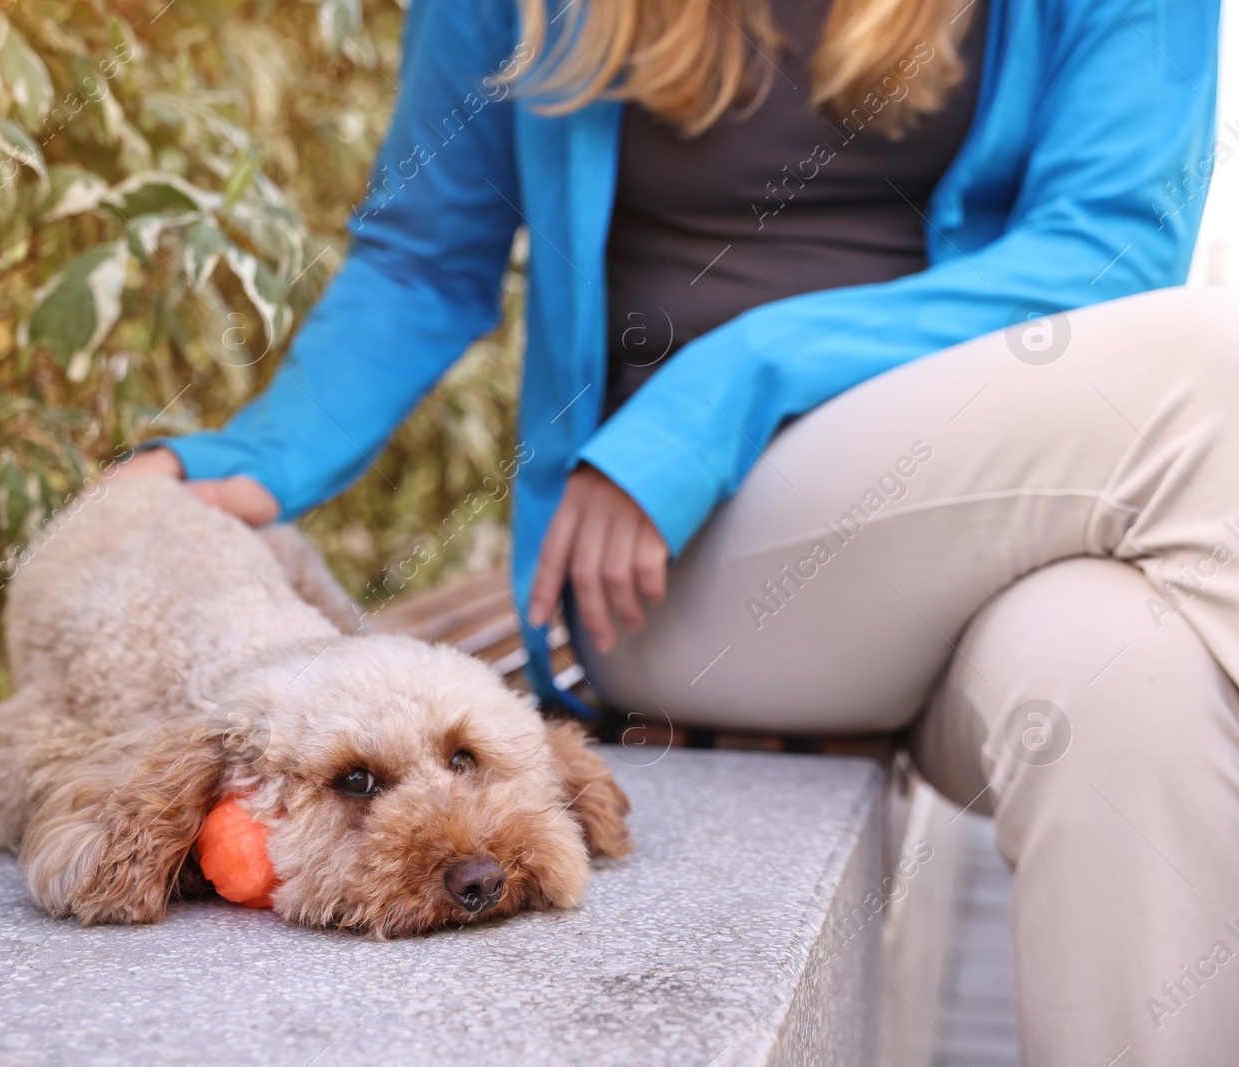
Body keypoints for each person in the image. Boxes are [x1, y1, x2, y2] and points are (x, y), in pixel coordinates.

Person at [115, 0, 1232, 1061]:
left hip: (983, 556)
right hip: (678, 577)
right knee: (1212, 367)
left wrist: (728, 379)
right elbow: (421, 257)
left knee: (1124, 681)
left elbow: (1107, 252)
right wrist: (252, 461)